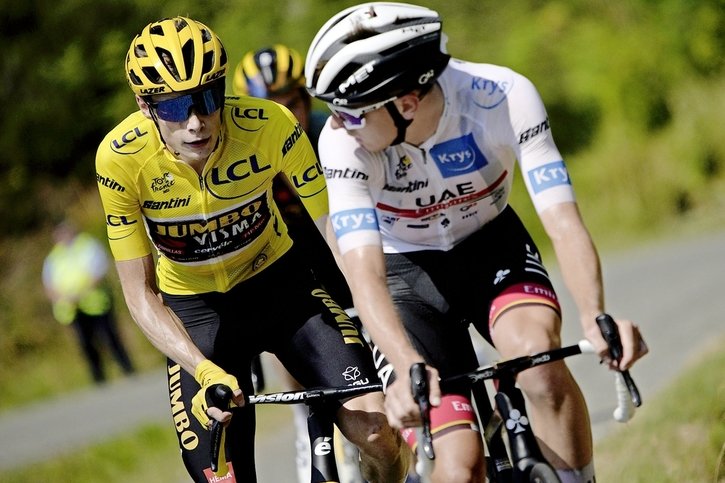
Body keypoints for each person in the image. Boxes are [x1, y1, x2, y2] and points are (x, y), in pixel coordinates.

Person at [304, 3, 650, 483]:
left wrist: (594, 313)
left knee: (539, 366)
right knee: (459, 464)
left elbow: (564, 221)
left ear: (405, 102)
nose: (336, 125)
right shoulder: (344, 145)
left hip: (490, 247)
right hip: (404, 274)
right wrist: (406, 366)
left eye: (350, 113)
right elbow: (364, 275)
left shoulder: (503, 98)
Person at [95, 16, 408, 483]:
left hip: (284, 289)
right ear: (145, 105)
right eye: (176, 106)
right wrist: (202, 371)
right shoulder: (119, 160)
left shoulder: (271, 124)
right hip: (197, 313)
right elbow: (140, 296)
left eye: (207, 98)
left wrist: (393, 346)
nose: (196, 121)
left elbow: (338, 237)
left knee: (379, 434)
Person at [233, 44, 360, 483]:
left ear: (306, 99)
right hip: (291, 270)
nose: (287, 114)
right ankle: (309, 437)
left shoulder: (330, 136)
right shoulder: (244, 157)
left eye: (293, 102)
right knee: (299, 370)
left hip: (342, 254)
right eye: (273, 106)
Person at [42, 220, 135, 383]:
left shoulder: (87, 245)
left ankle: (128, 370)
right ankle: (99, 378)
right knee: (86, 344)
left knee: (110, 337)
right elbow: (48, 284)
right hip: (72, 309)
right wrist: (60, 298)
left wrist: (81, 292)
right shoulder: (53, 257)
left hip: (96, 303)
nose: (62, 237)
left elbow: (99, 269)